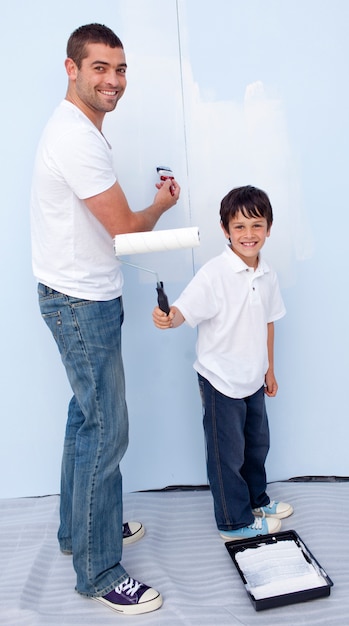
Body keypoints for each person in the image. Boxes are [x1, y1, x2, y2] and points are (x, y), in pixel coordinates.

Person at [30, 23, 180, 615]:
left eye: (119, 70)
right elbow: (124, 230)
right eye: (100, 68)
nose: (113, 81)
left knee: (84, 417)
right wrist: (162, 207)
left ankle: (80, 532)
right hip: (80, 302)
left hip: (76, 295)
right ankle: (98, 572)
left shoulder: (79, 130)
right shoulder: (76, 138)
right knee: (106, 430)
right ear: (72, 69)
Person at [153, 185, 293, 541]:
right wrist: (170, 317)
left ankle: (256, 499)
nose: (249, 235)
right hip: (219, 381)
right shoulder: (215, 273)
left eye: (257, 226)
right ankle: (233, 521)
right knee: (226, 455)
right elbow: (185, 309)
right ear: (225, 230)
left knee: (257, 446)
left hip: (253, 378)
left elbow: (268, 322)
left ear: (269, 228)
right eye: (240, 227)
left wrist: (270, 369)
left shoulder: (268, 273)